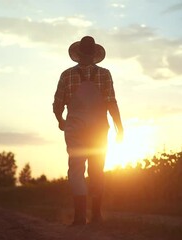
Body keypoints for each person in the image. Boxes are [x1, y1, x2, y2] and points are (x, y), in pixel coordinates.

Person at [53, 36, 123, 225]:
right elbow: (111, 102)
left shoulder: (66, 75)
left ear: (78, 54)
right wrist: (120, 127)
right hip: (99, 129)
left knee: (76, 170)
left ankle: (79, 218)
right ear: (94, 55)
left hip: (75, 128)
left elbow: (57, 103)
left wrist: (61, 120)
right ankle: (96, 215)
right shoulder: (105, 74)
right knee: (97, 170)